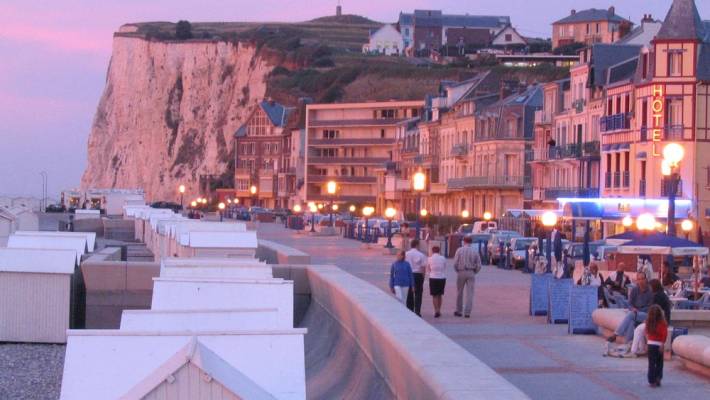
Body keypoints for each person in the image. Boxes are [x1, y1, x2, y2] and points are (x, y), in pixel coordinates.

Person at [607, 272, 654, 348]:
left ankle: (616, 334)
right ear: (637, 281)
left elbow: (650, 307)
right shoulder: (635, 290)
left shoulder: (650, 291)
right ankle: (628, 343)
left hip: (646, 314)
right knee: (631, 321)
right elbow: (629, 304)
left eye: (642, 279)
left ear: (646, 280)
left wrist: (637, 311)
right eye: (639, 279)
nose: (641, 281)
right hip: (635, 313)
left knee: (631, 315)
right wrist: (632, 308)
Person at [630, 279, 672, 356]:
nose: (649, 288)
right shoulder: (662, 295)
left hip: (658, 323)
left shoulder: (656, 297)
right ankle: (641, 348)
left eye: (650, 286)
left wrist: (646, 321)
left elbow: (655, 313)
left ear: (653, 287)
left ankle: (633, 351)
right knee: (641, 329)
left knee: (638, 329)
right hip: (662, 321)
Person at [453, 236, 481, 318]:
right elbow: (479, 264)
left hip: (461, 271)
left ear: (464, 241)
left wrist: (458, 270)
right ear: (471, 242)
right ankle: (467, 312)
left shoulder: (459, 250)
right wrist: (474, 272)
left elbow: (455, 263)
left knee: (459, 292)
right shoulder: (475, 251)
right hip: (471, 272)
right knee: (470, 293)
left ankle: (459, 311)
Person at [645, 304, 668, 387]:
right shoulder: (662, 323)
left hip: (651, 344)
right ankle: (658, 378)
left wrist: (647, 343)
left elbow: (646, 333)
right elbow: (664, 334)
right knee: (659, 363)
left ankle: (652, 381)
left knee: (651, 363)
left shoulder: (648, 322)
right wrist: (662, 343)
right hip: (659, 345)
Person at [405, 239, 427, 316]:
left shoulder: (406, 254)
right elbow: (423, 268)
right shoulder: (421, 255)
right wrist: (423, 277)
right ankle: (417, 311)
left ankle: (409, 310)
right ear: (417, 245)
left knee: (409, 293)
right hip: (418, 275)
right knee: (418, 293)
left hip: (408, 274)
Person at [426, 246, 447, 318]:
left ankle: (436, 310)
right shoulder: (443, 258)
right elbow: (444, 267)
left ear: (432, 251)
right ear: (439, 251)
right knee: (440, 295)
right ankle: (439, 310)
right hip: (441, 277)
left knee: (434, 295)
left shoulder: (429, 259)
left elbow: (428, 269)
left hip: (433, 277)